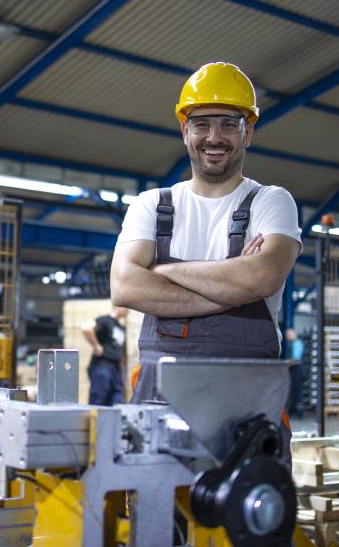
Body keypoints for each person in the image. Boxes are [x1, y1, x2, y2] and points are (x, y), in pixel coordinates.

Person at [110, 62, 301, 462]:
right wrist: (235, 286)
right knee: (156, 520)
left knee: (250, 516)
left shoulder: (271, 202)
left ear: (248, 131)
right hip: (159, 404)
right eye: (201, 123)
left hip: (248, 408)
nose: (214, 137)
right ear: (185, 131)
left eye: (229, 124)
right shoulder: (153, 204)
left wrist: (163, 272)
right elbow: (125, 287)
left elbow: (262, 276)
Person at [82, 306, 128, 405]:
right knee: (98, 400)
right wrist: (96, 346)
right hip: (102, 366)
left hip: (116, 370)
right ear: (118, 306)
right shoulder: (105, 321)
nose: (128, 311)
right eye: (126, 307)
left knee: (118, 403)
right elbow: (86, 328)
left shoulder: (121, 328)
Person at [285, 328, 305, 417]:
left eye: (288, 335)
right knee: (293, 391)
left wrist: (286, 363)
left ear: (293, 334)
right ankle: (293, 411)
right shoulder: (292, 343)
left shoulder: (297, 343)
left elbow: (296, 359)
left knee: (297, 391)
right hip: (294, 370)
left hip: (297, 370)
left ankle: (299, 412)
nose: (287, 337)